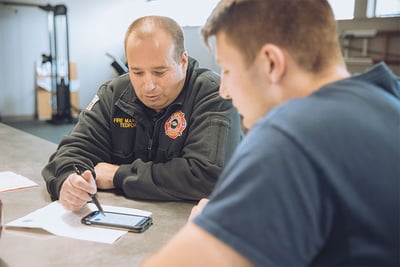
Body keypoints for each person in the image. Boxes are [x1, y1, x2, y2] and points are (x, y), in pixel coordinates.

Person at [140, 0, 400, 266]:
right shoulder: (388, 99)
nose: (224, 90)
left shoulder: (292, 136)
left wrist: (205, 229)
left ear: (271, 63)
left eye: (228, 70)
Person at [42, 15, 242, 211]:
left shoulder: (214, 94)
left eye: (159, 72)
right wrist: (69, 180)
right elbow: (72, 152)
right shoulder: (115, 94)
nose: (148, 86)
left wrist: (118, 175)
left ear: (183, 61)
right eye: (137, 72)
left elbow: (207, 177)